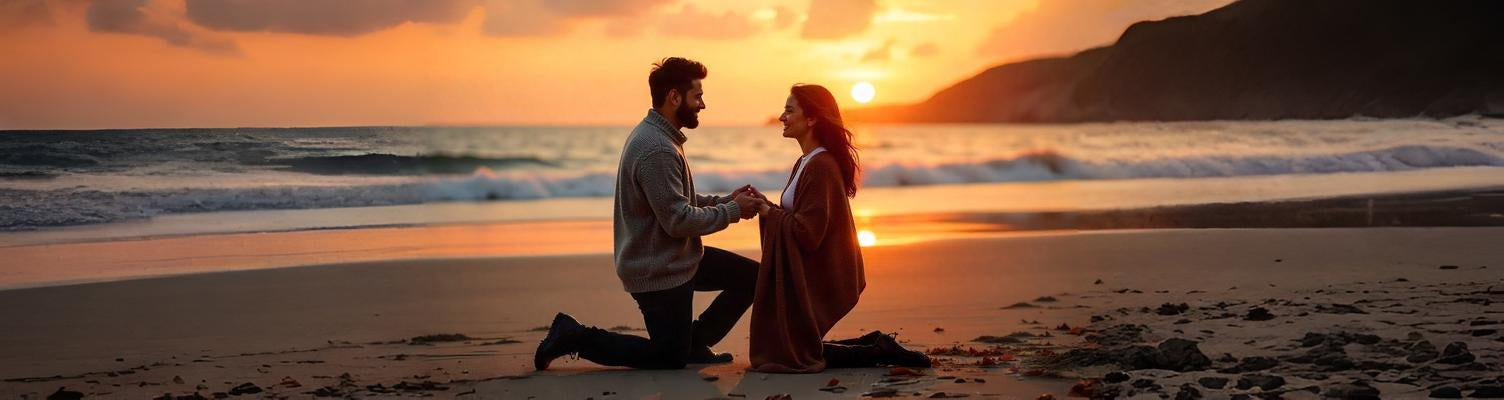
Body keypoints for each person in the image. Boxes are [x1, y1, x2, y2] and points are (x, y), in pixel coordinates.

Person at [534, 57, 765, 370]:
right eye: (697, 96)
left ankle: (695, 343)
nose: (702, 104)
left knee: (754, 277)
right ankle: (573, 335)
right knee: (668, 358)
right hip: (657, 269)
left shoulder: (661, 136)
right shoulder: (657, 147)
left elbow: (676, 200)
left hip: (676, 257)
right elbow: (678, 221)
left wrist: (726, 200)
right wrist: (733, 211)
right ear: (674, 97)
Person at [747, 84, 931, 373]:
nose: (782, 117)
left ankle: (876, 350)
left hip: (824, 271)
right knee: (785, 351)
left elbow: (809, 234)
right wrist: (766, 207)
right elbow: (798, 216)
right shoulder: (805, 162)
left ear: (812, 119)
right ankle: (876, 345)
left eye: (789, 110)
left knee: (790, 355)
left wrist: (770, 213)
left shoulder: (821, 165)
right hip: (811, 267)